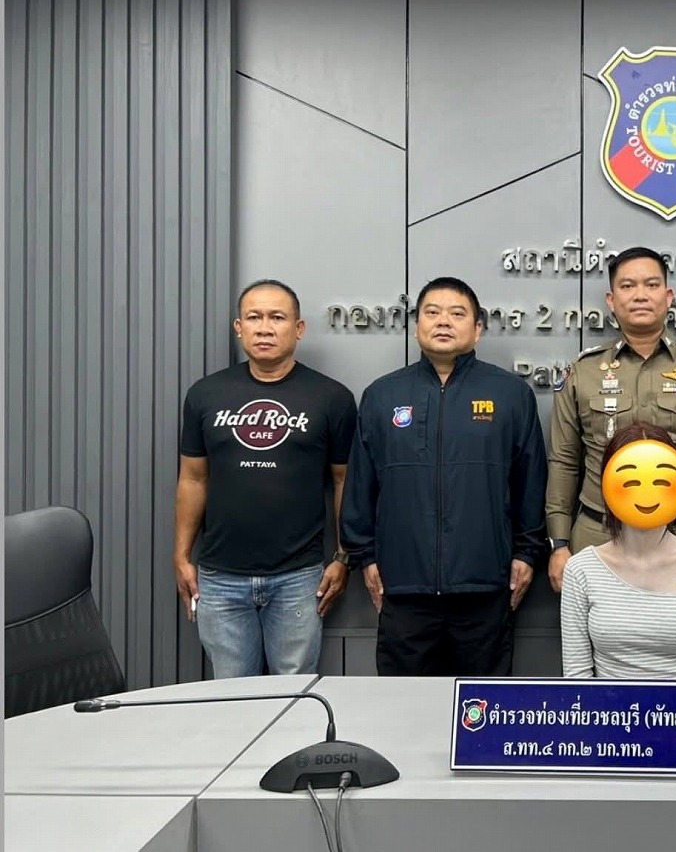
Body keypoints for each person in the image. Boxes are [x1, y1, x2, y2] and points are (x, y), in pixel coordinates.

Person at [340, 276, 548, 677]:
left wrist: (526, 553)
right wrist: (364, 556)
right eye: (432, 312)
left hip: (485, 587)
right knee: (405, 706)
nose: (443, 321)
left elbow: (531, 482)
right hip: (404, 587)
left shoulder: (510, 394)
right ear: (417, 323)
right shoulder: (382, 396)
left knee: (481, 706)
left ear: (478, 328)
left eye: (457, 313)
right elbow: (361, 485)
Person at [173, 279, 357, 679]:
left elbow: (345, 482)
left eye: (277, 317)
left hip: (299, 578)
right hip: (220, 577)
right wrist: (181, 556)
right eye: (254, 318)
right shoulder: (205, 395)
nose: (265, 328)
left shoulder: (332, 398)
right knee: (232, 695)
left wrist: (343, 557)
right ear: (239, 328)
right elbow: (193, 479)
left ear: (298, 328)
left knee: (293, 695)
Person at [546, 246, 676, 592]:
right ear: (611, 299)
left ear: (668, 296)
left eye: (651, 285)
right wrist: (559, 543)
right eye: (627, 286)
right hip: (597, 536)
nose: (640, 295)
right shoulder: (583, 371)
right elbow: (564, 461)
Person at [560, 422, 676, 679]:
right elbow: (577, 676)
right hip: (608, 705)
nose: (645, 492)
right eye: (631, 481)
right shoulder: (581, 570)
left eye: (660, 480)